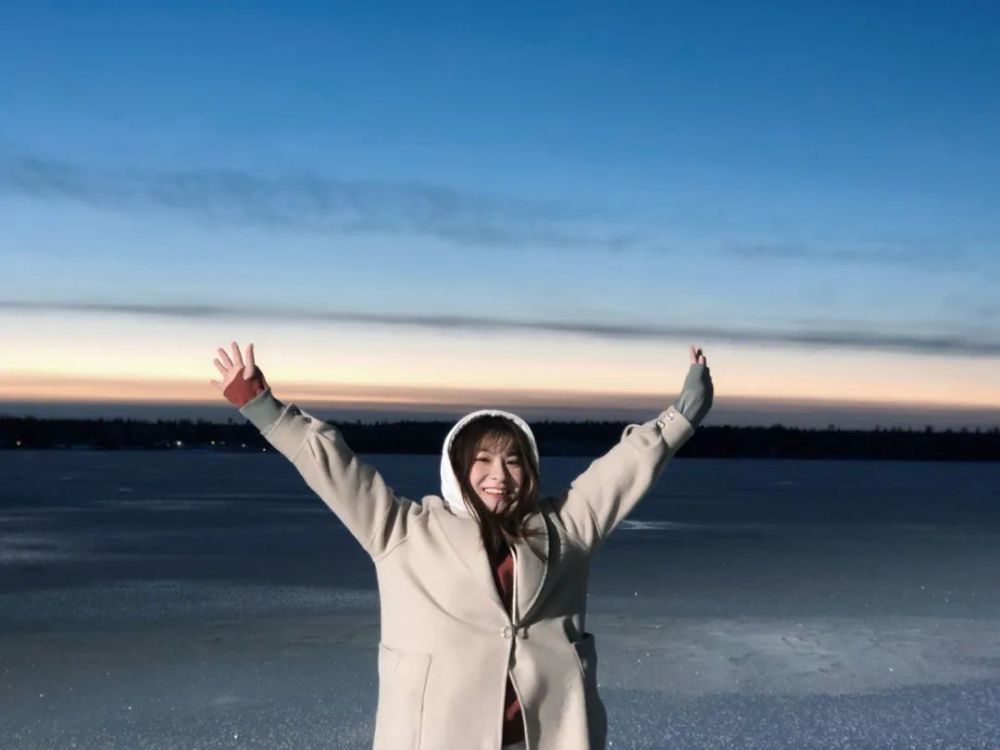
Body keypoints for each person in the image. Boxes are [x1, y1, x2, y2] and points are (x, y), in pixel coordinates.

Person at [210, 341, 713, 750]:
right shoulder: (402, 531)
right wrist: (262, 405)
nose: (500, 476)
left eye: (513, 461)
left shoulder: (566, 529)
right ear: (457, 469)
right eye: (483, 461)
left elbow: (622, 470)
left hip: (546, 737)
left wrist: (683, 413)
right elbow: (333, 468)